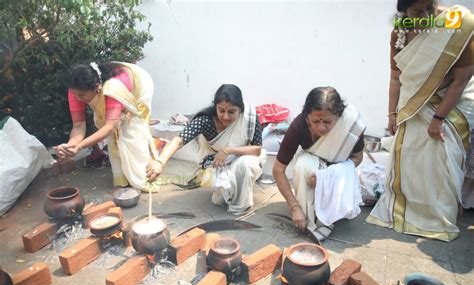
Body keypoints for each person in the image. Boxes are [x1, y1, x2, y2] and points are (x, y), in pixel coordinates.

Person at [366, 1, 474, 241]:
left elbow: (462, 78)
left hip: (450, 103)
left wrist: (438, 118)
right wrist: (392, 113)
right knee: (408, 156)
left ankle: (437, 216)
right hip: (413, 103)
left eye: (430, 7)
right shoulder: (401, 30)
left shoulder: (456, 23)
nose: (426, 16)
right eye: (417, 12)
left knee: (440, 155)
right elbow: (396, 77)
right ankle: (406, 211)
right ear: (404, 12)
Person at [146, 84, 265, 215]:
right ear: (216, 107)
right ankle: (231, 190)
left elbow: (257, 150)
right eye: (221, 110)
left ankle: (240, 206)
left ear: (240, 110)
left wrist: (227, 150)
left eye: (231, 112)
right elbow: (179, 140)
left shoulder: (250, 118)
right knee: (219, 196)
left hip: (244, 156)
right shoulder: (205, 121)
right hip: (217, 162)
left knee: (245, 165)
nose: (225, 116)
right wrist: (160, 162)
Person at [273, 87, 366, 240]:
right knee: (303, 164)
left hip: (337, 170)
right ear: (307, 116)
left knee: (324, 173)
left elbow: (357, 157)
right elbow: (278, 170)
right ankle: (307, 219)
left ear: (338, 117)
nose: (321, 127)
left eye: (328, 122)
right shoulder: (299, 126)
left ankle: (326, 220)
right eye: (315, 121)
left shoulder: (350, 124)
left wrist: (328, 176)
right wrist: (294, 207)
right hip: (312, 169)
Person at [55, 61, 160, 191]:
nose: (77, 98)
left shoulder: (113, 89)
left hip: (139, 86)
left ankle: (145, 174)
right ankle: (121, 179)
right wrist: (70, 146)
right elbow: (78, 125)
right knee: (113, 136)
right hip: (115, 88)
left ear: (97, 87)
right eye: (74, 94)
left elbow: (109, 127)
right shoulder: (76, 90)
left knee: (131, 132)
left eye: (81, 95)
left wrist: (80, 146)